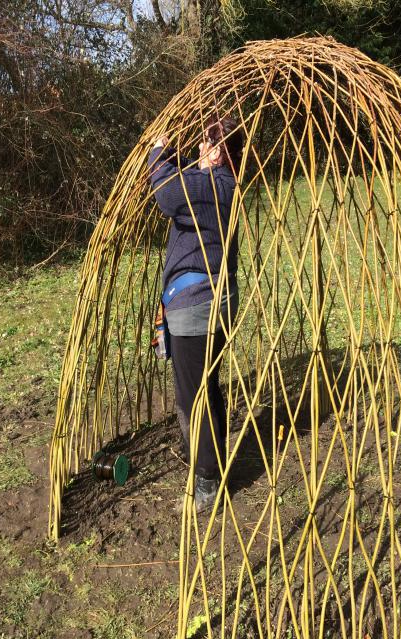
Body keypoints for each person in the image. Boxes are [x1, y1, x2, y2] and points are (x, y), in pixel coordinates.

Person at [148, 115, 244, 513]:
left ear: (222, 153)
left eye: (209, 142)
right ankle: (212, 464)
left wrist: (157, 153)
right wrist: (170, 155)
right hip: (208, 302)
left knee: (195, 395)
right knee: (207, 386)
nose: (201, 148)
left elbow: (168, 194)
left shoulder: (215, 186)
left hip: (198, 305)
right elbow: (181, 185)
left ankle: (206, 482)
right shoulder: (214, 186)